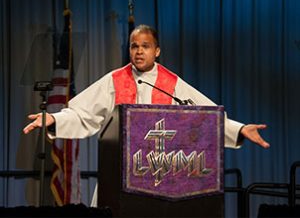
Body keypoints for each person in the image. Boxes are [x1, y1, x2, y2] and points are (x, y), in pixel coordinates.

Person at [23, 24, 269, 149]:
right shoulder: (115, 80)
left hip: (160, 169)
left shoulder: (171, 83)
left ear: (157, 50)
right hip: (119, 169)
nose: (139, 51)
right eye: (133, 46)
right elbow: (84, 115)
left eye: (145, 46)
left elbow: (204, 117)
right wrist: (54, 119)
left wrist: (239, 129)